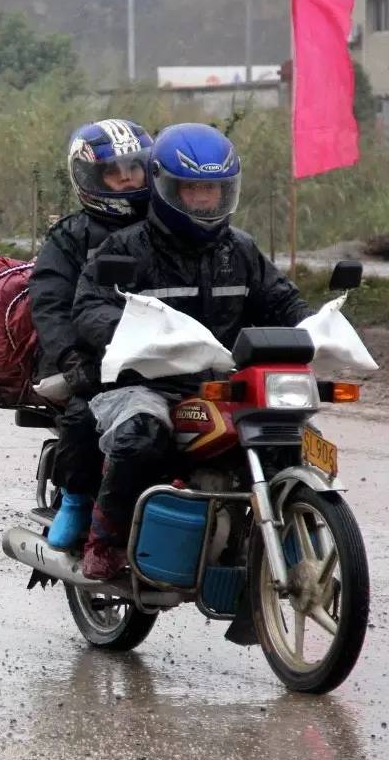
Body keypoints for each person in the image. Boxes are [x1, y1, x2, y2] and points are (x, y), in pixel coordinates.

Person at [72, 122, 311, 579]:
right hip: (146, 384)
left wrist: (316, 328)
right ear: (165, 187)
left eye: (212, 189)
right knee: (140, 434)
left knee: (290, 434)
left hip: (222, 384)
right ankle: (105, 539)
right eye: (192, 189)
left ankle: (288, 537)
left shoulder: (241, 250)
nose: (204, 200)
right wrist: (136, 337)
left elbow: (284, 301)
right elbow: (90, 309)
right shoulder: (125, 248)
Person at [30, 118, 153, 549]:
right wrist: (71, 358)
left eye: (134, 168)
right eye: (115, 172)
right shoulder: (70, 237)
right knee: (86, 414)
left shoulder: (168, 229)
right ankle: (76, 498)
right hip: (85, 355)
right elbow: (49, 305)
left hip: (159, 351)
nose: (127, 178)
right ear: (91, 178)